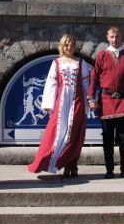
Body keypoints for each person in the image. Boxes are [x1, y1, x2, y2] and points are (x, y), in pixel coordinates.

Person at [28, 34, 91, 177]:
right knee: (57, 132)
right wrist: (48, 104)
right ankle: (53, 162)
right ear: (62, 46)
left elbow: (85, 83)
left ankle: (71, 165)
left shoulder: (80, 63)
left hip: (77, 102)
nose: (70, 47)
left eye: (72, 45)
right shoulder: (56, 63)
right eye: (67, 45)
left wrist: (90, 100)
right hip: (61, 103)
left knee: (74, 135)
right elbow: (51, 84)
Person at [88, 26, 124, 179]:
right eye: (112, 37)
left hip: (123, 101)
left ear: (121, 37)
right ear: (107, 37)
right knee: (107, 138)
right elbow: (94, 77)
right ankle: (109, 170)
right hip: (106, 101)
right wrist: (91, 97)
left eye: (117, 36)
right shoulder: (101, 55)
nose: (115, 39)